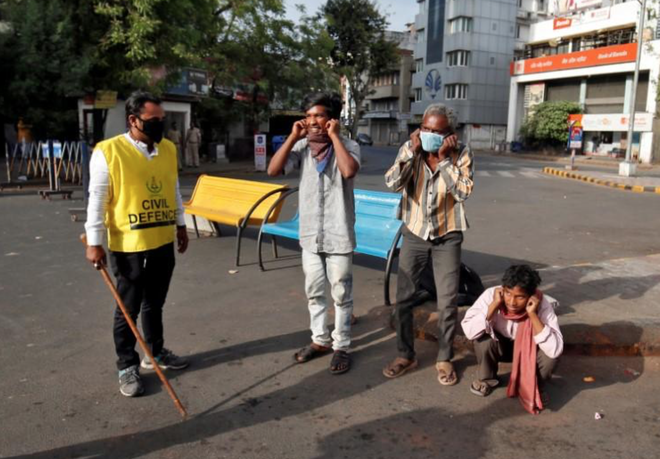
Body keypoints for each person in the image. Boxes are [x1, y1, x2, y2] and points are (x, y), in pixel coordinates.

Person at [84, 91, 190, 398]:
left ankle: (154, 352)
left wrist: (181, 225)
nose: (160, 125)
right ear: (133, 120)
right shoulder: (108, 151)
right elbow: (97, 201)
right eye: (153, 120)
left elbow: (173, 190)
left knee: (155, 303)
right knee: (127, 309)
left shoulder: (168, 149)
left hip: (161, 241)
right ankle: (126, 365)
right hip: (128, 245)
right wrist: (95, 243)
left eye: (162, 120)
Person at [267, 92, 360, 375]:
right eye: (308, 116)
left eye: (318, 115)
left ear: (331, 119)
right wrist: (292, 138)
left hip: (338, 234)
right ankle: (319, 340)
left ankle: (341, 346)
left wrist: (335, 138)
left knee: (341, 293)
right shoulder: (303, 148)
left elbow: (348, 171)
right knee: (314, 291)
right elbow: (273, 170)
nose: (312, 121)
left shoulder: (348, 145)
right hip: (310, 235)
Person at [382, 103, 474, 386]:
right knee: (404, 299)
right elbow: (392, 183)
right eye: (425, 129)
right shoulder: (410, 150)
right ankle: (405, 355)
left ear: (450, 134)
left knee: (447, 303)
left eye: (437, 131)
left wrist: (445, 159)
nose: (429, 135)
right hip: (415, 233)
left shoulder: (462, 154)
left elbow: (463, 192)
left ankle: (444, 358)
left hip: (448, 235)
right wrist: (412, 152)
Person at [461, 265, 563, 414]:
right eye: (508, 294)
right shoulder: (491, 295)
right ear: (503, 289)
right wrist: (494, 305)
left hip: (529, 353)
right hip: (500, 347)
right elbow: (469, 331)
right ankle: (487, 378)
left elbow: (555, 349)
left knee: (551, 355)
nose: (512, 302)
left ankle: (536, 386)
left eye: (520, 297)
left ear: (530, 296)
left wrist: (533, 315)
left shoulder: (542, 305)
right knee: (482, 337)